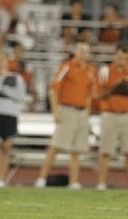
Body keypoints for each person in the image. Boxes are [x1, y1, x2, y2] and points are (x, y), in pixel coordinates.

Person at [35, 41, 96, 189]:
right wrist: (56, 110)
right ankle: (41, 179)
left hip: (82, 111)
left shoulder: (90, 69)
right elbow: (53, 88)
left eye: (85, 50)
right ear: (75, 51)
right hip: (67, 109)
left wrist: (88, 112)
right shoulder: (66, 66)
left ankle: (74, 181)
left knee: (77, 149)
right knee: (55, 145)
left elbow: (89, 93)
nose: (83, 53)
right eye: (80, 49)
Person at [96, 43, 128, 190]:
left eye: (125, 57)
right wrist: (115, 87)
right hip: (109, 114)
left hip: (127, 114)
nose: (122, 60)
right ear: (115, 55)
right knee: (105, 151)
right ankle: (101, 183)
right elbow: (98, 94)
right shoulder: (105, 71)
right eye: (120, 56)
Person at [0, 52, 27, 187]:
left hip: (10, 114)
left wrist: (4, 91)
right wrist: (0, 79)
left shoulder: (17, 77)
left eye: (3, 60)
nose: (1, 63)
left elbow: (20, 96)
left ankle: (1, 179)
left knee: (6, 147)